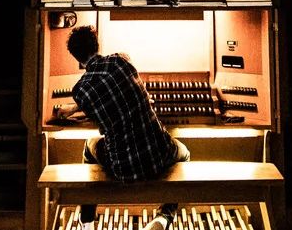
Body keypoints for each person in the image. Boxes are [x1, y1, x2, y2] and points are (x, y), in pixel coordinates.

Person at [52, 25, 190, 230]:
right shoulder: (122, 61)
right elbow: (118, 86)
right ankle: (164, 216)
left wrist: (71, 108)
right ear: (97, 45)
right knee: (185, 153)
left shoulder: (80, 90)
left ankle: (87, 220)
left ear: (77, 59)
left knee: (89, 146)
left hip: (123, 167)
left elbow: (95, 101)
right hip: (159, 153)